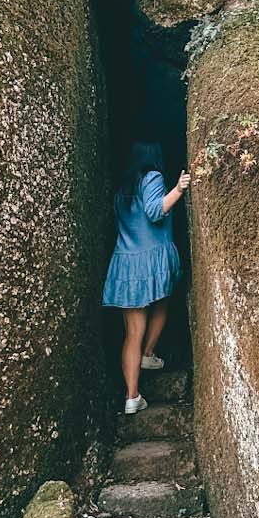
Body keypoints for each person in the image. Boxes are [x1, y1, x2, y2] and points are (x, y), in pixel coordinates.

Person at [102, 140, 191, 415]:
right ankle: (149, 354)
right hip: (152, 259)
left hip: (126, 264)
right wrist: (178, 189)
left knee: (132, 333)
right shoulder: (152, 176)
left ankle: (132, 397)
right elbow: (155, 211)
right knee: (162, 302)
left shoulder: (123, 188)